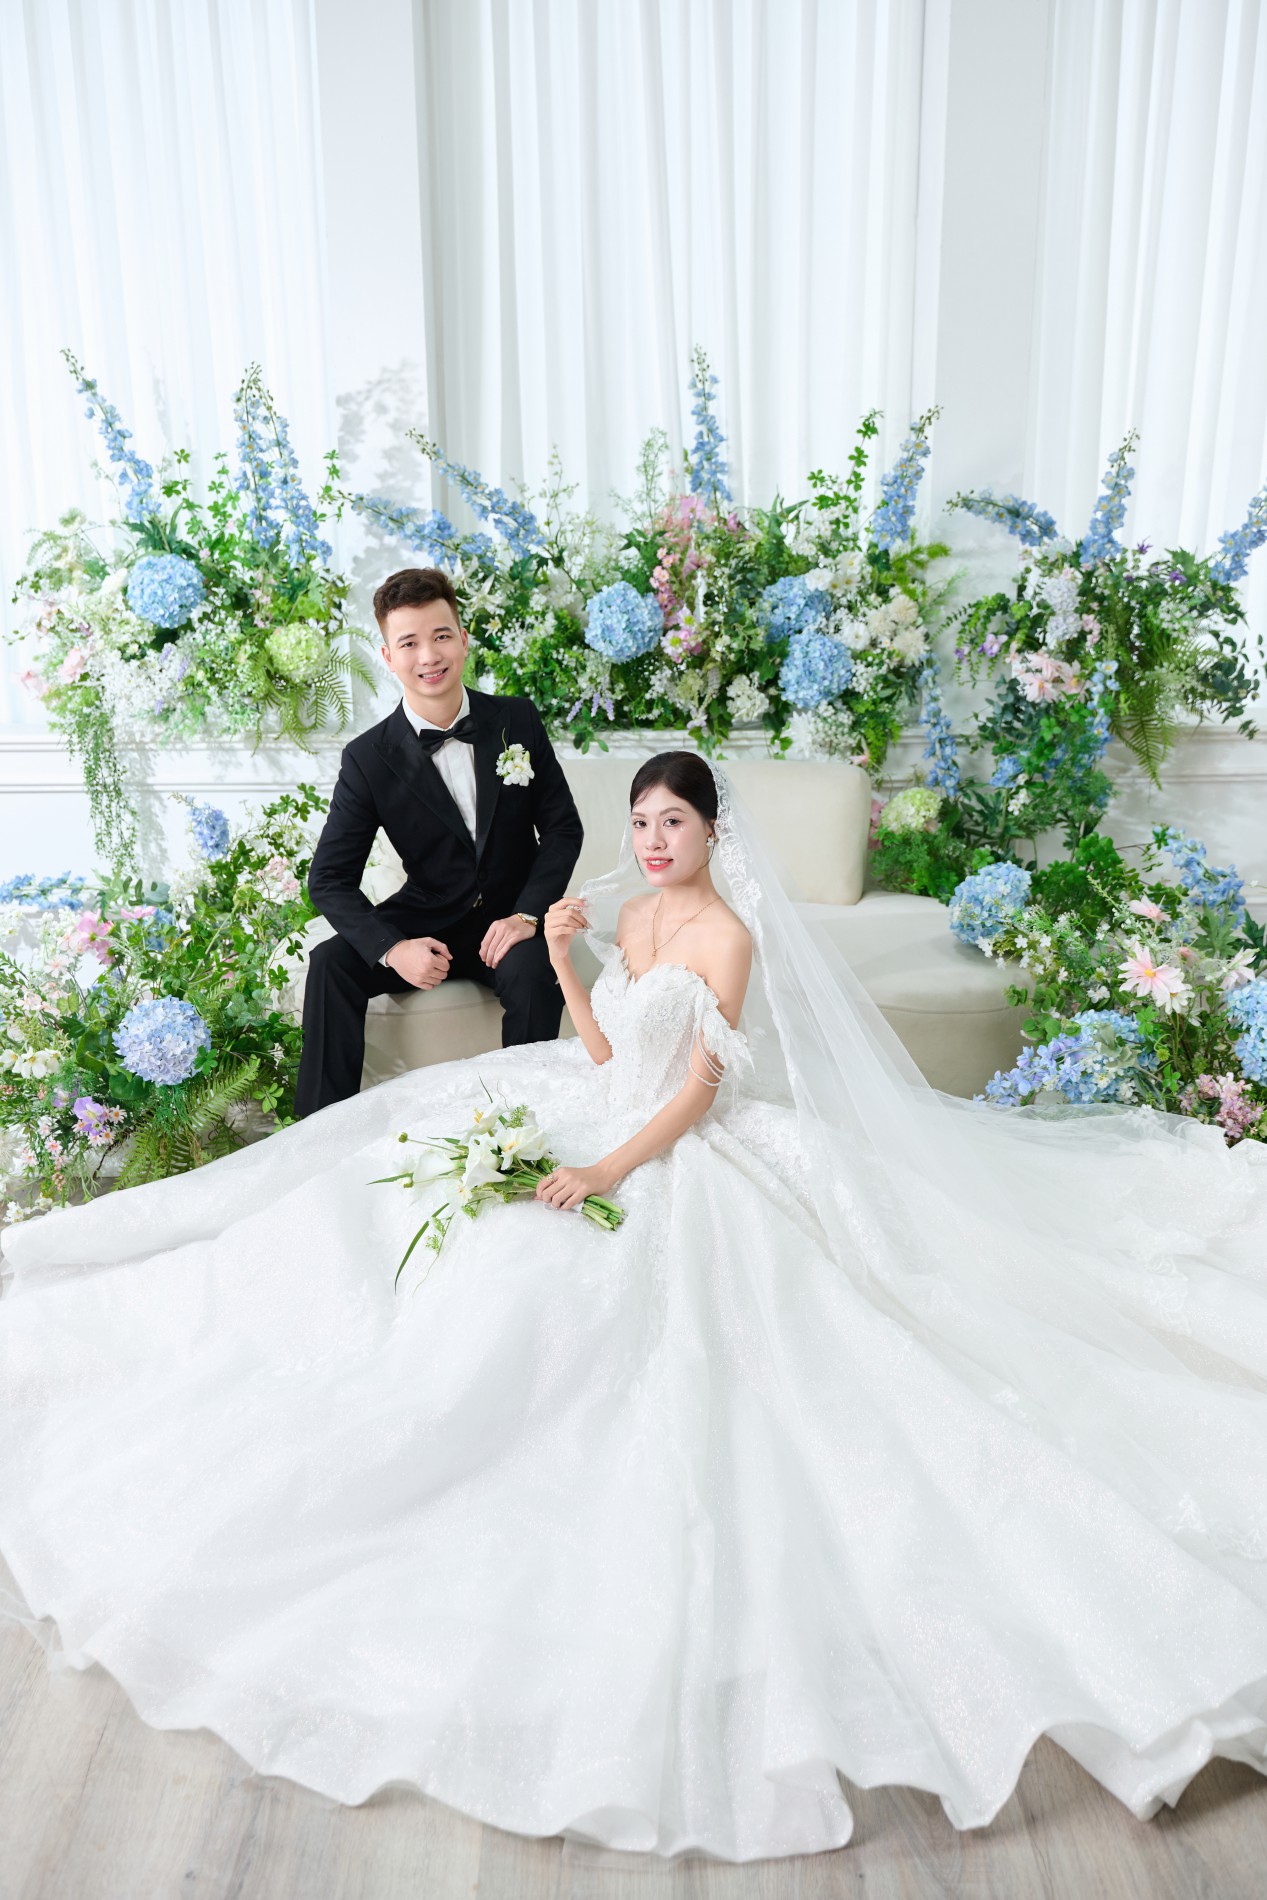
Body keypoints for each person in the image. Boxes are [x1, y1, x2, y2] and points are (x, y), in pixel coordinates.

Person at [2, 751, 1267, 1863]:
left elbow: (697, 1092)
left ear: (714, 831)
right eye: (643, 823)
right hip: (602, 1104)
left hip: (676, 1150)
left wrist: (608, 1169)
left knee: (613, 1290)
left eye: (675, 823)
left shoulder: (725, 936)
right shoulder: (639, 917)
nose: (654, 841)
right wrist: (566, 961)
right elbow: (610, 1056)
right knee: (407, 1205)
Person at [295, 565, 583, 1116]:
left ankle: (524, 1129)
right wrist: (392, 948)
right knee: (330, 963)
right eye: (409, 643)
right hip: (425, 918)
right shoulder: (367, 758)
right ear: (388, 657)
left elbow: (563, 828)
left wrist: (527, 915)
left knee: (532, 972)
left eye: (441, 636)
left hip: (510, 920)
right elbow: (328, 879)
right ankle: (319, 1135)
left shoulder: (517, 719)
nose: (428, 656)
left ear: (464, 640)